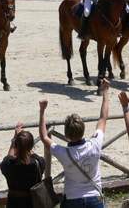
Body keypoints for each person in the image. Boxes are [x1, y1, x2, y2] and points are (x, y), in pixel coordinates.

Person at [38, 79, 111, 208]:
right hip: (94, 197)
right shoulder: (94, 144)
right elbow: (103, 118)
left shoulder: (63, 152)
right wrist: (105, 91)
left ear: (66, 134)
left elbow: (44, 137)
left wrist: (42, 111)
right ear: (83, 130)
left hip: (72, 199)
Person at [0, 122, 46, 208]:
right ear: (32, 146)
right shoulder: (39, 163)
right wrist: (25, 146)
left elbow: (9, 157)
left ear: (16, 146)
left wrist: (14, 139)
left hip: (13, 204)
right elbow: (34, 156)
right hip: (32, 203)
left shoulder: (8, 164)